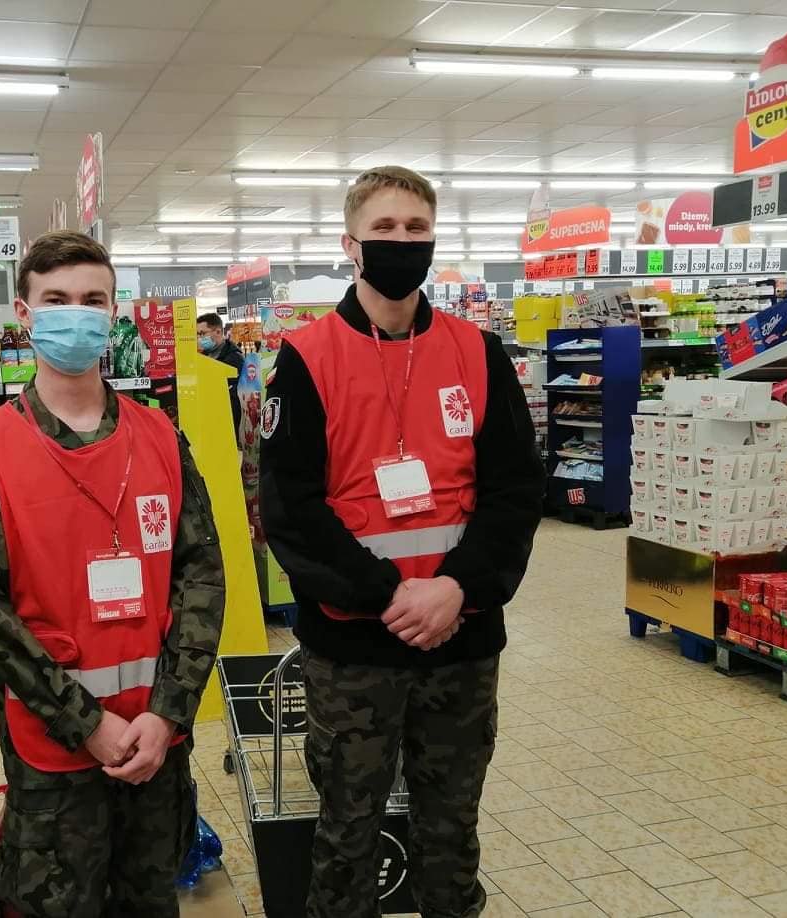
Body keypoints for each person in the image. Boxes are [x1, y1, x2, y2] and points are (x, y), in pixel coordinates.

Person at [259, 166, 544, 918]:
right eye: (384, 228)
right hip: (354, 648)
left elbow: (515, 490)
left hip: (462, 638)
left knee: (451, 828)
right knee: (347, 833)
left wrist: (456, 588)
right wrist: (390, 595)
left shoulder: (477, 352)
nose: (402, 241)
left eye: (417, 229)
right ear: (350, 244)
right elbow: (291, 510)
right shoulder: (307, 358)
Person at [0, 230, 227, 918]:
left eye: (93, 300)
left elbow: (201, 575)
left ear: (113, 311)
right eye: (56, 299)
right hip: (54, 761)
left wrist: (167, 713)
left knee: (150, 903)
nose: (77, 314)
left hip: (156, 749)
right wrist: (86, 722)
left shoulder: (161, 437)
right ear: (24, 313)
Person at [197, 312, 245, 440]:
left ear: (218, 332)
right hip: (208, 423)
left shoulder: (234, 359)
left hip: (227, 425)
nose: (199, 338)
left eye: (202, 333)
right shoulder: (204, 357)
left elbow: (234, 399)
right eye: (197, 334)